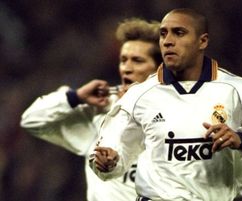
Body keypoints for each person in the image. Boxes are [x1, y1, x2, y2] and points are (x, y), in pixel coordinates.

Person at [89, 8, 242, 201]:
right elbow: (109, 150)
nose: (168, 41)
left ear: (202, 41)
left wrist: (241, 139)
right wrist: (108, 162)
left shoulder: (238, 90)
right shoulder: (139, 95)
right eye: (163, 34)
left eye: (179, 33)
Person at [20, 18, 162, 201]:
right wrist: (75, 97)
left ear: (160, 69)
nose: (126, 68)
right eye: (123, 60)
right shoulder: (100, 110)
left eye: (137, 61)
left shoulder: (180, 114)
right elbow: (31, 120)